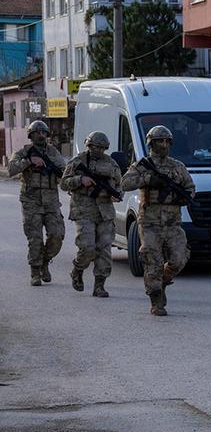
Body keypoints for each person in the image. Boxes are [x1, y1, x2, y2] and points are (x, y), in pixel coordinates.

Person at [120, 125, 196, 316]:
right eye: (159, 141)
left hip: (172, 223)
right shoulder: (142, 166)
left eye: (166, 141)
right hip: (150, 222)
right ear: (151, 144)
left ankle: (162, 280)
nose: (163, 145)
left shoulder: (177, 167)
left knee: (179, 259)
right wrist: (147, 180)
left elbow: (190, 188)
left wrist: (183, 197)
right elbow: (125, 183)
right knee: (152, 259)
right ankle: (156, 299)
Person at [59, 131, 122, 297]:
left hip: (105, 212)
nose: (98, 150)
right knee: (87, 247)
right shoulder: (77, 161)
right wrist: (80, 180)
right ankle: (77, 270)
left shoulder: (112, 164)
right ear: (89, 145)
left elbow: (119, 187)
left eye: (102, 148)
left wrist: (116, 194)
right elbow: (64, 184)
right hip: (83, 210)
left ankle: (99, 285)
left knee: (105, 250)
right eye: (95, 146)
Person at [7, 121, 66, 286]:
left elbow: (64, 170)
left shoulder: (53, 152)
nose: (40, 135)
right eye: (37, 133)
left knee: (57, 235)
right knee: (35, 239)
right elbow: (11, 169)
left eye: (43, 133)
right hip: (31, 202)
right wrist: (29, 161)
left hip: (51, 202)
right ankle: (35, 271)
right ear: (31, 136)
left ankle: (45, 261)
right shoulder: (23, 152)